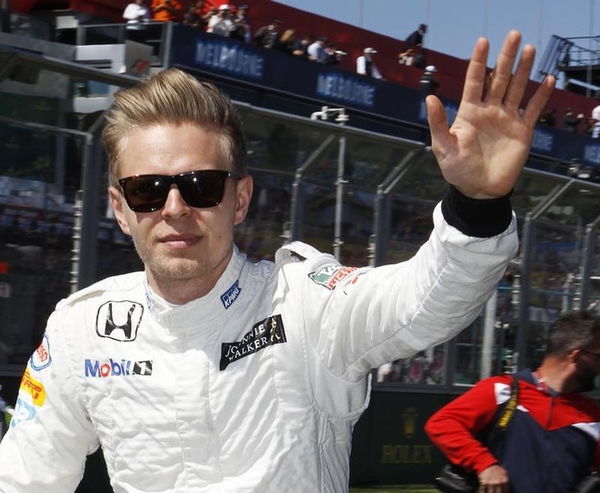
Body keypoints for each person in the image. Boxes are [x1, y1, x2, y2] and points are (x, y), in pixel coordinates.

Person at [0, 30, 555, 492]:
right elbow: (26, 478)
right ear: (120, 209)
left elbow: (427, 301)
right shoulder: (82, 328)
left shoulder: (307, 302)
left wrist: (477, 205)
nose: (174, 208)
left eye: (200, 185)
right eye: (147, 190)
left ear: (239, 198)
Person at [425, 311, 600, 492]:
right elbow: (442, 424)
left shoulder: (593, 415)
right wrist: (485, 464)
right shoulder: (503, 390)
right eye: (599, 357)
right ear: (577, 356)